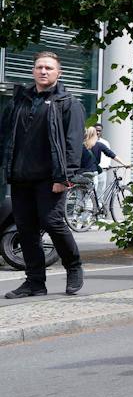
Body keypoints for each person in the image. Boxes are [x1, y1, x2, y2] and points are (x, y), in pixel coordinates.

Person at [1, 52, 86, 298]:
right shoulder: (19, 101)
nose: (43, 71)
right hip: (20, 177)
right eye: (39, 67)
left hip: (51, 178)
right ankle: (35, 282)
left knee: (53, 223)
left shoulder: (68, 103)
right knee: (26, 230)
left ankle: (73, 267)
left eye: (49, 68)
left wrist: (65, 178)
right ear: (33, 71)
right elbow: (5, 136)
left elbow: (73, 144)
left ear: (58, 73)